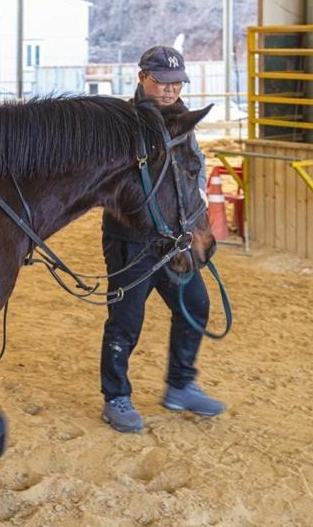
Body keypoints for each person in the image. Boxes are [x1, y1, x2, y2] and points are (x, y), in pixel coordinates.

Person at [100, 45, 225, 432]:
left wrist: (193, 212)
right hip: (131, 239)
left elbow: (196, 166)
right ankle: (116, 396)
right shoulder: (122, 122)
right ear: (142, 78)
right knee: (126, 321)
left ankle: (180, 383)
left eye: (176, 83)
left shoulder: (184, 120)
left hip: (175, 238)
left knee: (195, 304)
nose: (170, 90)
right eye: (162, 82)